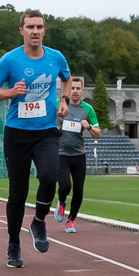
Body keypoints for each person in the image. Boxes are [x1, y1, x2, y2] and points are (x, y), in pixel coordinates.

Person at [0, 9, 72, 268]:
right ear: (22, 31)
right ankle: (13, 244)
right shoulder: (10, 60)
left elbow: (67, 79)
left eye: (39, 27)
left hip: (46, 131)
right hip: (17, 134)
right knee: (17, 194)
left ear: (44, 31)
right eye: (30, 27)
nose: (35, 31)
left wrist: (64, 100)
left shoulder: (56, 57)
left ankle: (39, 222)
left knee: (50, 176)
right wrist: (11, 92)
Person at [53, 77, 101, 233]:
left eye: (78, 88)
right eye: (72, 88)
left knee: (79, 190)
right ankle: (61, 202)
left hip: (79, 155)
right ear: (68, 90)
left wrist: (89, 127)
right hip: (61, 153)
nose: (74, 91)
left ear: (82, 90)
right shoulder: (58, 104)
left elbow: (98, 133)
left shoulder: (88, 109)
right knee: (65, 186)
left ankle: (70, 221)